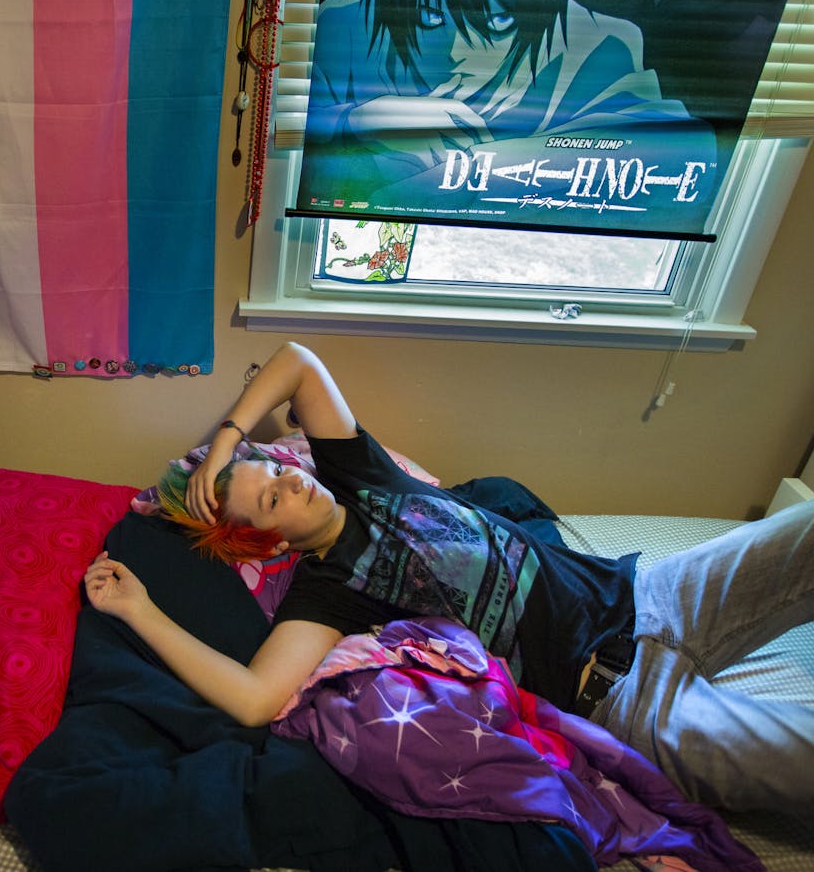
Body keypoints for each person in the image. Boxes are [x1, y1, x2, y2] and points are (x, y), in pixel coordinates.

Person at [84, 341, 814, 814]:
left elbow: (298, 363)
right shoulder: (327, 590)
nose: (291, 478)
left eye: (276, 467)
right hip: (623, 696)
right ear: (264, 540)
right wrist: (141, 608)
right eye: (272, 497)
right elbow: (253, 699)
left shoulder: (359, 473)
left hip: (647, 593)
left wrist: (227, 443)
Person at [296, 0, 718, 229]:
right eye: (430, 17)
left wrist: (480, 172)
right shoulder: (348, 25)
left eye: (499, 20)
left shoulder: (597, 44)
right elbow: (288, 159)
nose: (457, 52)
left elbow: (685, 163)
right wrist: (354, 121)